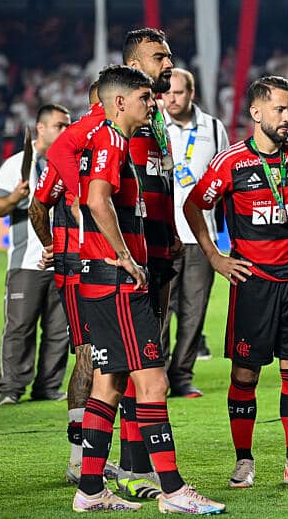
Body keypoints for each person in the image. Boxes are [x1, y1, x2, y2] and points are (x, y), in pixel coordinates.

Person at [71, 64, 224, 514]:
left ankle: (91, 489)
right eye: (144, 98)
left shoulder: (111, 138)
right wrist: (123, 254)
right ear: (120, 102)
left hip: (103, 279)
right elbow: (96, 198)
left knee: (110, 385)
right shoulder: (111, 140)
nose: (152, 103)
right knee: (153, 383)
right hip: (116, 281)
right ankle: (174, 492)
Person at [49, 27, 180, 500]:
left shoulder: (154, 117)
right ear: (133, 65)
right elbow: (63, 151)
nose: (168, 64)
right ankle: (103, 466)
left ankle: (125, 471)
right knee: (116, 365)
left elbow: (154, 185)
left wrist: (167, 237)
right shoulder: (108, 117)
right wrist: (86, 208)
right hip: (115, 263)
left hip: (154, 251)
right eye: (158, 57)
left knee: (127, 368)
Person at [184, 76, 288, 488]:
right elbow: (194, 205)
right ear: (256, 113)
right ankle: (244, 460)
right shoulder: (231, 162)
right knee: (245, 376)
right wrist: (215, 256)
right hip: (253, 282)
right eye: (280, 110)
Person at [29, 82, 99, 484]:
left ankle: (92, 456)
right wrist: (52, 246)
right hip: (77, 265)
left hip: (109, 261)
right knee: (89, 355)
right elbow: (40, 204)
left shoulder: (123, 137)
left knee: (107, 358)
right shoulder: (74, 144)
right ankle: (79, 459)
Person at [0, 103, 71, 405]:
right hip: (26, 262)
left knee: (58, 331)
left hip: (62, 260)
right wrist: (16, 197)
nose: (65, 130)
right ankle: (10, 389)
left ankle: (48, 387)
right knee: (20, 327)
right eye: (59, 126)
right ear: (41, 128)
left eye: (67, 125)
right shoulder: (15, 165)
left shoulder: (68, 163)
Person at [162, 68, 229, 398]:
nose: (171, 99)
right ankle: (157, 375)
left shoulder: (214, 129)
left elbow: (226, 180)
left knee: (194, 311)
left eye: (178, 92)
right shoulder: (153, 124)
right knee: (160, 309)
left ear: (191, 93)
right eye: (167, 93)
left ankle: (182, 376)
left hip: (203, 237)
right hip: (162, 234)